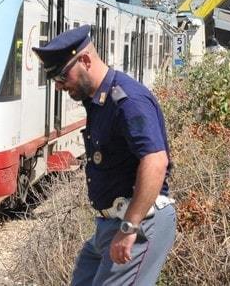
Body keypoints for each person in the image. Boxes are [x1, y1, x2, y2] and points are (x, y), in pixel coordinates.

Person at [33, 25, 176, 285]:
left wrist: (130, 227)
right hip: (108, 225)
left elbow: (156, 160)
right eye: (55, 80)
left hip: (139, 222)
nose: (59, 86)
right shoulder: (99, 101)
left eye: (63, 76)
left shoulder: (128, 101)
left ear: (85, 60)